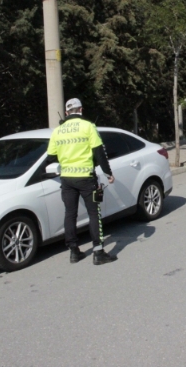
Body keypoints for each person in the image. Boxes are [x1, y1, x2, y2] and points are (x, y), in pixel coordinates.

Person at [46, 98, 117, 265]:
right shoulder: (88, 126)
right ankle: (98, 253)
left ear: (66, 113)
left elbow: (50, 157)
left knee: (70, 214)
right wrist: (108, 173)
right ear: (81, 110)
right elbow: (99, 152)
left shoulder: (58, 131)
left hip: (67, 180)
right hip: (86, 178)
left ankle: (74, 251)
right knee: (94, 213)